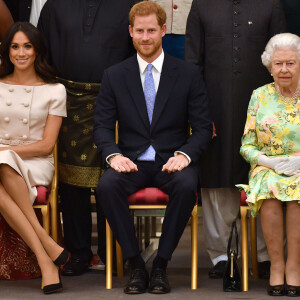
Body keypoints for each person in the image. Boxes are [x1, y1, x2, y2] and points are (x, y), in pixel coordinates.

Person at [94, 1, 212, 294]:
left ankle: (160, 264)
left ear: (163, 30)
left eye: (151, 31)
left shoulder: (186, 74)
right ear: (131, 32)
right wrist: (113, 155)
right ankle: (135, 263)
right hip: (131, 161)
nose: (145, 38)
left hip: (171, 161)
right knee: (107, 186)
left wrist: (184, 155)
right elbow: (102, 127)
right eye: (139, 31)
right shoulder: (114, 75)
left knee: (187, 185)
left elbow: (202, 129)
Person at [185, 0, 286, 278]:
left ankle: (265, 255)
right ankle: (221, 256)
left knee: (263, 178)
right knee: (217, 178)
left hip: (264, 110)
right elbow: (193, 64)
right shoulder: (202, 5)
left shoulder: (270, 5)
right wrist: (199, 115)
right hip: (213, 108)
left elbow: (282, 59)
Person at [37, 0, 138, 276]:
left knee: (113, 177)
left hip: (115, 101)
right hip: (67, 103)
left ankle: (115, 251)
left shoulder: (130, 5)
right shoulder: (54, 6)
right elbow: (41, 54)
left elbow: (138, 53)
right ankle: (79, 253)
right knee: (71, 183)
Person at [0, 22, 68, 293]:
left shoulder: (54, 90)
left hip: (35, 162)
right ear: (7, 51)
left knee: (3, 162)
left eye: (27, 46)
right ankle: (46, 253)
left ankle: (44, 250)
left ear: (38, 50)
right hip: (2, 158)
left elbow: (46, 145)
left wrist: (5, 151)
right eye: (15, 46)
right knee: (2, 164)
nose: (21, 53)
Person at [237, 33, 300, 297]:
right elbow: (246, 145)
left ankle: (294, 267)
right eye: (278, 64)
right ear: (269, 66)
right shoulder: (259, 96)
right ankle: (276, 266)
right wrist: (267, 161)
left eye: (291, 63)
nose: (284, 69)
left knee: (298, 194)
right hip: (268, 166)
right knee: (271, 193)